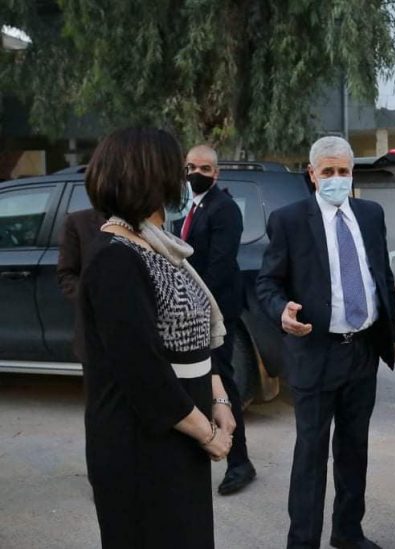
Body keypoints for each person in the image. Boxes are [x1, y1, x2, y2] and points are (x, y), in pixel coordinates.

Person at [79, 127, 235, 548]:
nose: (183, 179)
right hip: (143, 443)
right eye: (176, 169)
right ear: (148, 176)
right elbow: (141, 370)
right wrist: (208, 434)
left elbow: (197, 337)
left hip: (180, 433)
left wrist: (218, 398)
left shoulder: (160, 247)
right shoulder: (115, 257)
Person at [256, 136, 395, 549]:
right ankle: (303, 541)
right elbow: (267, 283)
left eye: (343, 171)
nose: (337, 179)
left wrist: (391, 333)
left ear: (352, 173)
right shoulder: (289, 220)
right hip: (316, 353)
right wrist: (281, 311)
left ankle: (348, 532)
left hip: (363, 351)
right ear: (312, 174)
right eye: (328, 172)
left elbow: (381, 276)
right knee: (311, 455)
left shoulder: (371, 214)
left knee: (354, 450)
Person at [174, 144, 256, 495]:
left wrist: (194, 304)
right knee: (198, 381)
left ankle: (240, 462)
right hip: (194, 310)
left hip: (215, 311)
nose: (196, 174)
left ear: (216, 173)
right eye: (191, 167)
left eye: (204, 169)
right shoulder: (188, 207)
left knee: (221, 382)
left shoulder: (224, 209)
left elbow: (219, 266)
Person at [57, 208, 105, 361]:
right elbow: (67, 275)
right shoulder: (78, 222)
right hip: (97, 337)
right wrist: (93, 300)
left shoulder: (143, 219)